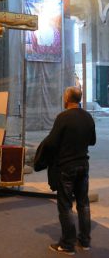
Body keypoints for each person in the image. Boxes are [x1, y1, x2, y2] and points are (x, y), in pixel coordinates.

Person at [41, 86, 96, 255]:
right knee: (83, 204)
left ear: (67, 99)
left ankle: (67, 244)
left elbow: (51, 142)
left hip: (66, 167)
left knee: (65, 206)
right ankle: (85, 241)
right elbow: (92, 141)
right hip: (83, 165)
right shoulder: (88, 117)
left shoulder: (63, 117)